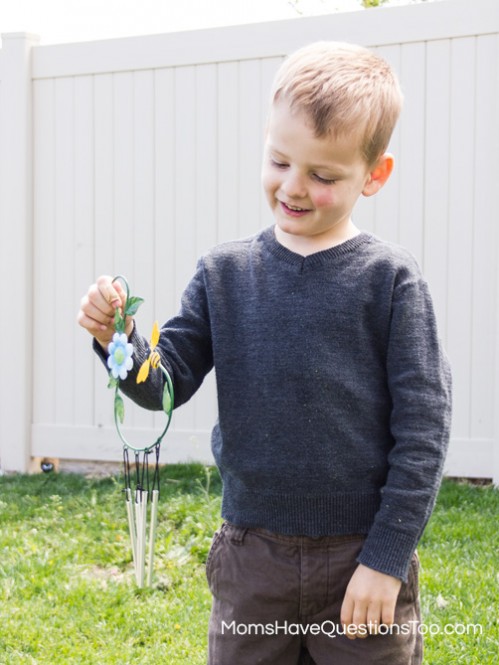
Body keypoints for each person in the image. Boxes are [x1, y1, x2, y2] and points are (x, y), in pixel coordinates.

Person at [78, 41, 452, 665]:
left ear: (375, 174)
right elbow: (161, 385)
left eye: (324, 175)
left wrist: (384, 561)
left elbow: (425, 432)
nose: (294, 187)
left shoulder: (391, 281)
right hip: (253, 559)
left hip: (359, 559)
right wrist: (115, 340)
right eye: (279, 160)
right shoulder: (224, 274)